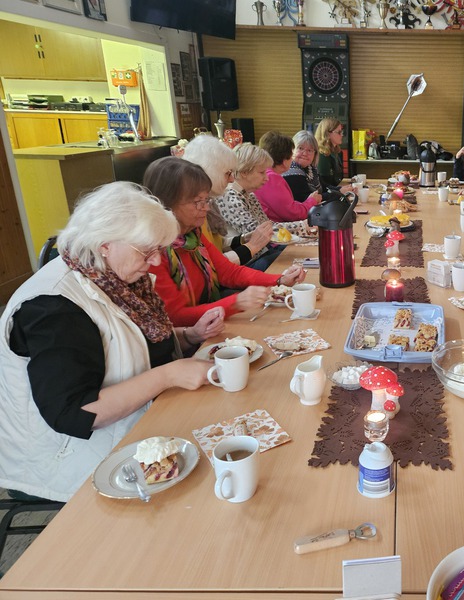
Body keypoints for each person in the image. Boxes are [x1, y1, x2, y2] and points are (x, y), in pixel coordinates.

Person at [0, 182, 223, 502]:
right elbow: (74, 413)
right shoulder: (53, 307)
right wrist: (168, 375)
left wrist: (189, 336)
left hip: (138, 424)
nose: (156, 263)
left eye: (159, 251)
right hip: (71, 458)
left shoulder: (114, 277)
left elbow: (128, 343)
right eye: (147, 251)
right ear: (105, 244)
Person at [144, 157, 306, 327]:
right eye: (198, 202)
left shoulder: (191, 234)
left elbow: (227, 272)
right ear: (167, 204)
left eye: (206, 200)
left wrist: (280, 279)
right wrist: (237, 302)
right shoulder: (152, 253)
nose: (206, 207)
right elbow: (175, 317)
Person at [182, 135, 272, 266]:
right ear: (210, 172)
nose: (231, 179)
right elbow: (210, 264)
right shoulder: (193, 211)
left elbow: (218, 244)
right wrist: (252, 246)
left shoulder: (208, 202)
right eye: (227, 173)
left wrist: (243, 239)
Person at [215, 143, 286, 272]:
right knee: (291, 257)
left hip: (260, 254)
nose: (266, 178)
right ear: (244, 172)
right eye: (262, 172)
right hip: (244, 264)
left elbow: (267, 226)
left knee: (294, 254)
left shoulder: (249, 195)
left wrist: (303, 228)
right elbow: (260, 233)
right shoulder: (229, 196)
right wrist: (303, 227)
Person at [256, 131, 321, 222]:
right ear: (284, 159)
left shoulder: (268, 174)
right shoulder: (272, 179)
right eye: (291, 156)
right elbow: (293, 214)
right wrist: (312, 201)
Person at [283, 130, 322, 202]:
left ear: (315, 154)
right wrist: (335, 194)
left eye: (309, 150)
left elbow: (324, 186)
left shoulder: (310, 169)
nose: (305, 153)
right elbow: (305, 198)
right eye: (300, 148)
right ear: (292, 150)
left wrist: (338, 190)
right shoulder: (292, 172)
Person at [315, 117, 351, 190]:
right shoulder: (322, 155)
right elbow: (324, 185)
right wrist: (340, 189)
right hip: (328, 194)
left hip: (336, 191)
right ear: (327, 134)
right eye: (339, 132)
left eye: (342, 132)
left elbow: (338, 180)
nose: (342, 135)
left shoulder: (338, 152)